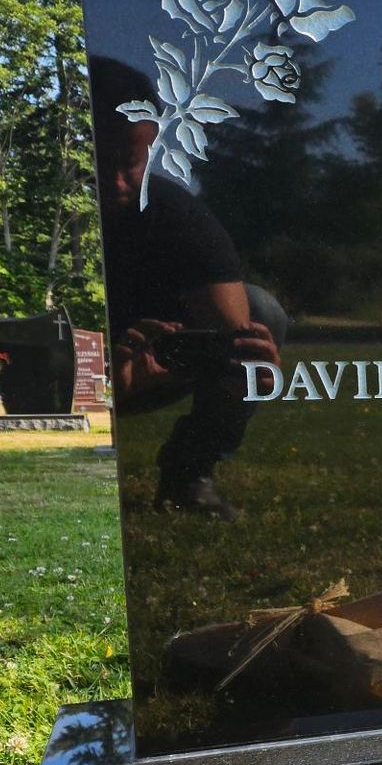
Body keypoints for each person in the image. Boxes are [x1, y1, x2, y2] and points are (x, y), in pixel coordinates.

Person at [93, 57, 286, 521]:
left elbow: (237, 338)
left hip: (152, 363)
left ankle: (189, 473)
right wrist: (102, 383)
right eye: (100, 165)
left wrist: (248, 374)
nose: (119, 183)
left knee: (261, 314)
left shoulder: (179, 219)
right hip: (75, 373)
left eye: (132, 163)